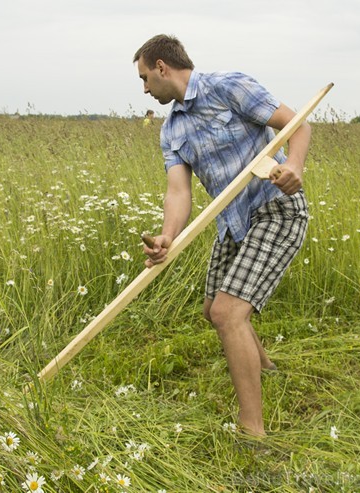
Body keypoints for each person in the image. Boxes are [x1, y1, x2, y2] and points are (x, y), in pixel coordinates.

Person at [134, 34, 311, 437]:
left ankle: (253, 433)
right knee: (212, 307)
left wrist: (295, 166)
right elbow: (178, 192)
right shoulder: (171, 130)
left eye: (145, 77)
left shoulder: (228, 86)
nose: (144, 87)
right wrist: (167, 237)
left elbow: (299, 125)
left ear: (162, 66)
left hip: (275, 210)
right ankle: (265, 368)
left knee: (228, 314)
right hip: (233, 224)